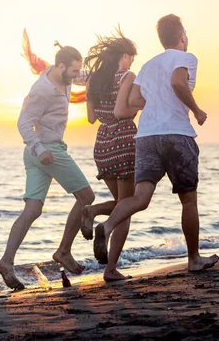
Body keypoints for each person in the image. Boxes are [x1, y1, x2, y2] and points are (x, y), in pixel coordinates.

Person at [93, 14, 219, 273]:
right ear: (182, 36)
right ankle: (194, 259)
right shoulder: (186, 57)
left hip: (146, 136)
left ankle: (106, 227)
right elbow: (177, 82)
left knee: (140, 197)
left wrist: (156, 105)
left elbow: (135, 100)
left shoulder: (148, 65)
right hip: (176, 134)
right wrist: (195, 110)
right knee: (188, 200)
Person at [0, 43, 95, 290]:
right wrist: (41, 150)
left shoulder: (64, 75)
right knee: (86, 196)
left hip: (39, 152)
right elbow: (23, 124)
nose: (76, 74)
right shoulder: (42, 90)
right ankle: (63, 251)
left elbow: (87, 76)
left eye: (77, 70)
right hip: (47, 150)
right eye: (73, 70)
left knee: (33, 210)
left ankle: (6, 261)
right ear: (61, 66)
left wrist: (108, 66)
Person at [80, 29, 139, 281]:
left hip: (103, 143)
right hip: (124, 139)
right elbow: (119, 112)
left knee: (121, 202)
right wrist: (137, 106)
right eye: (131, 58)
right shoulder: (127, 76)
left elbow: (92, 118)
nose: (131, 63)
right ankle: (111, 269)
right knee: (126, 208)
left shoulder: (93, 80)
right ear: (124, 56)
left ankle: (93, 211)